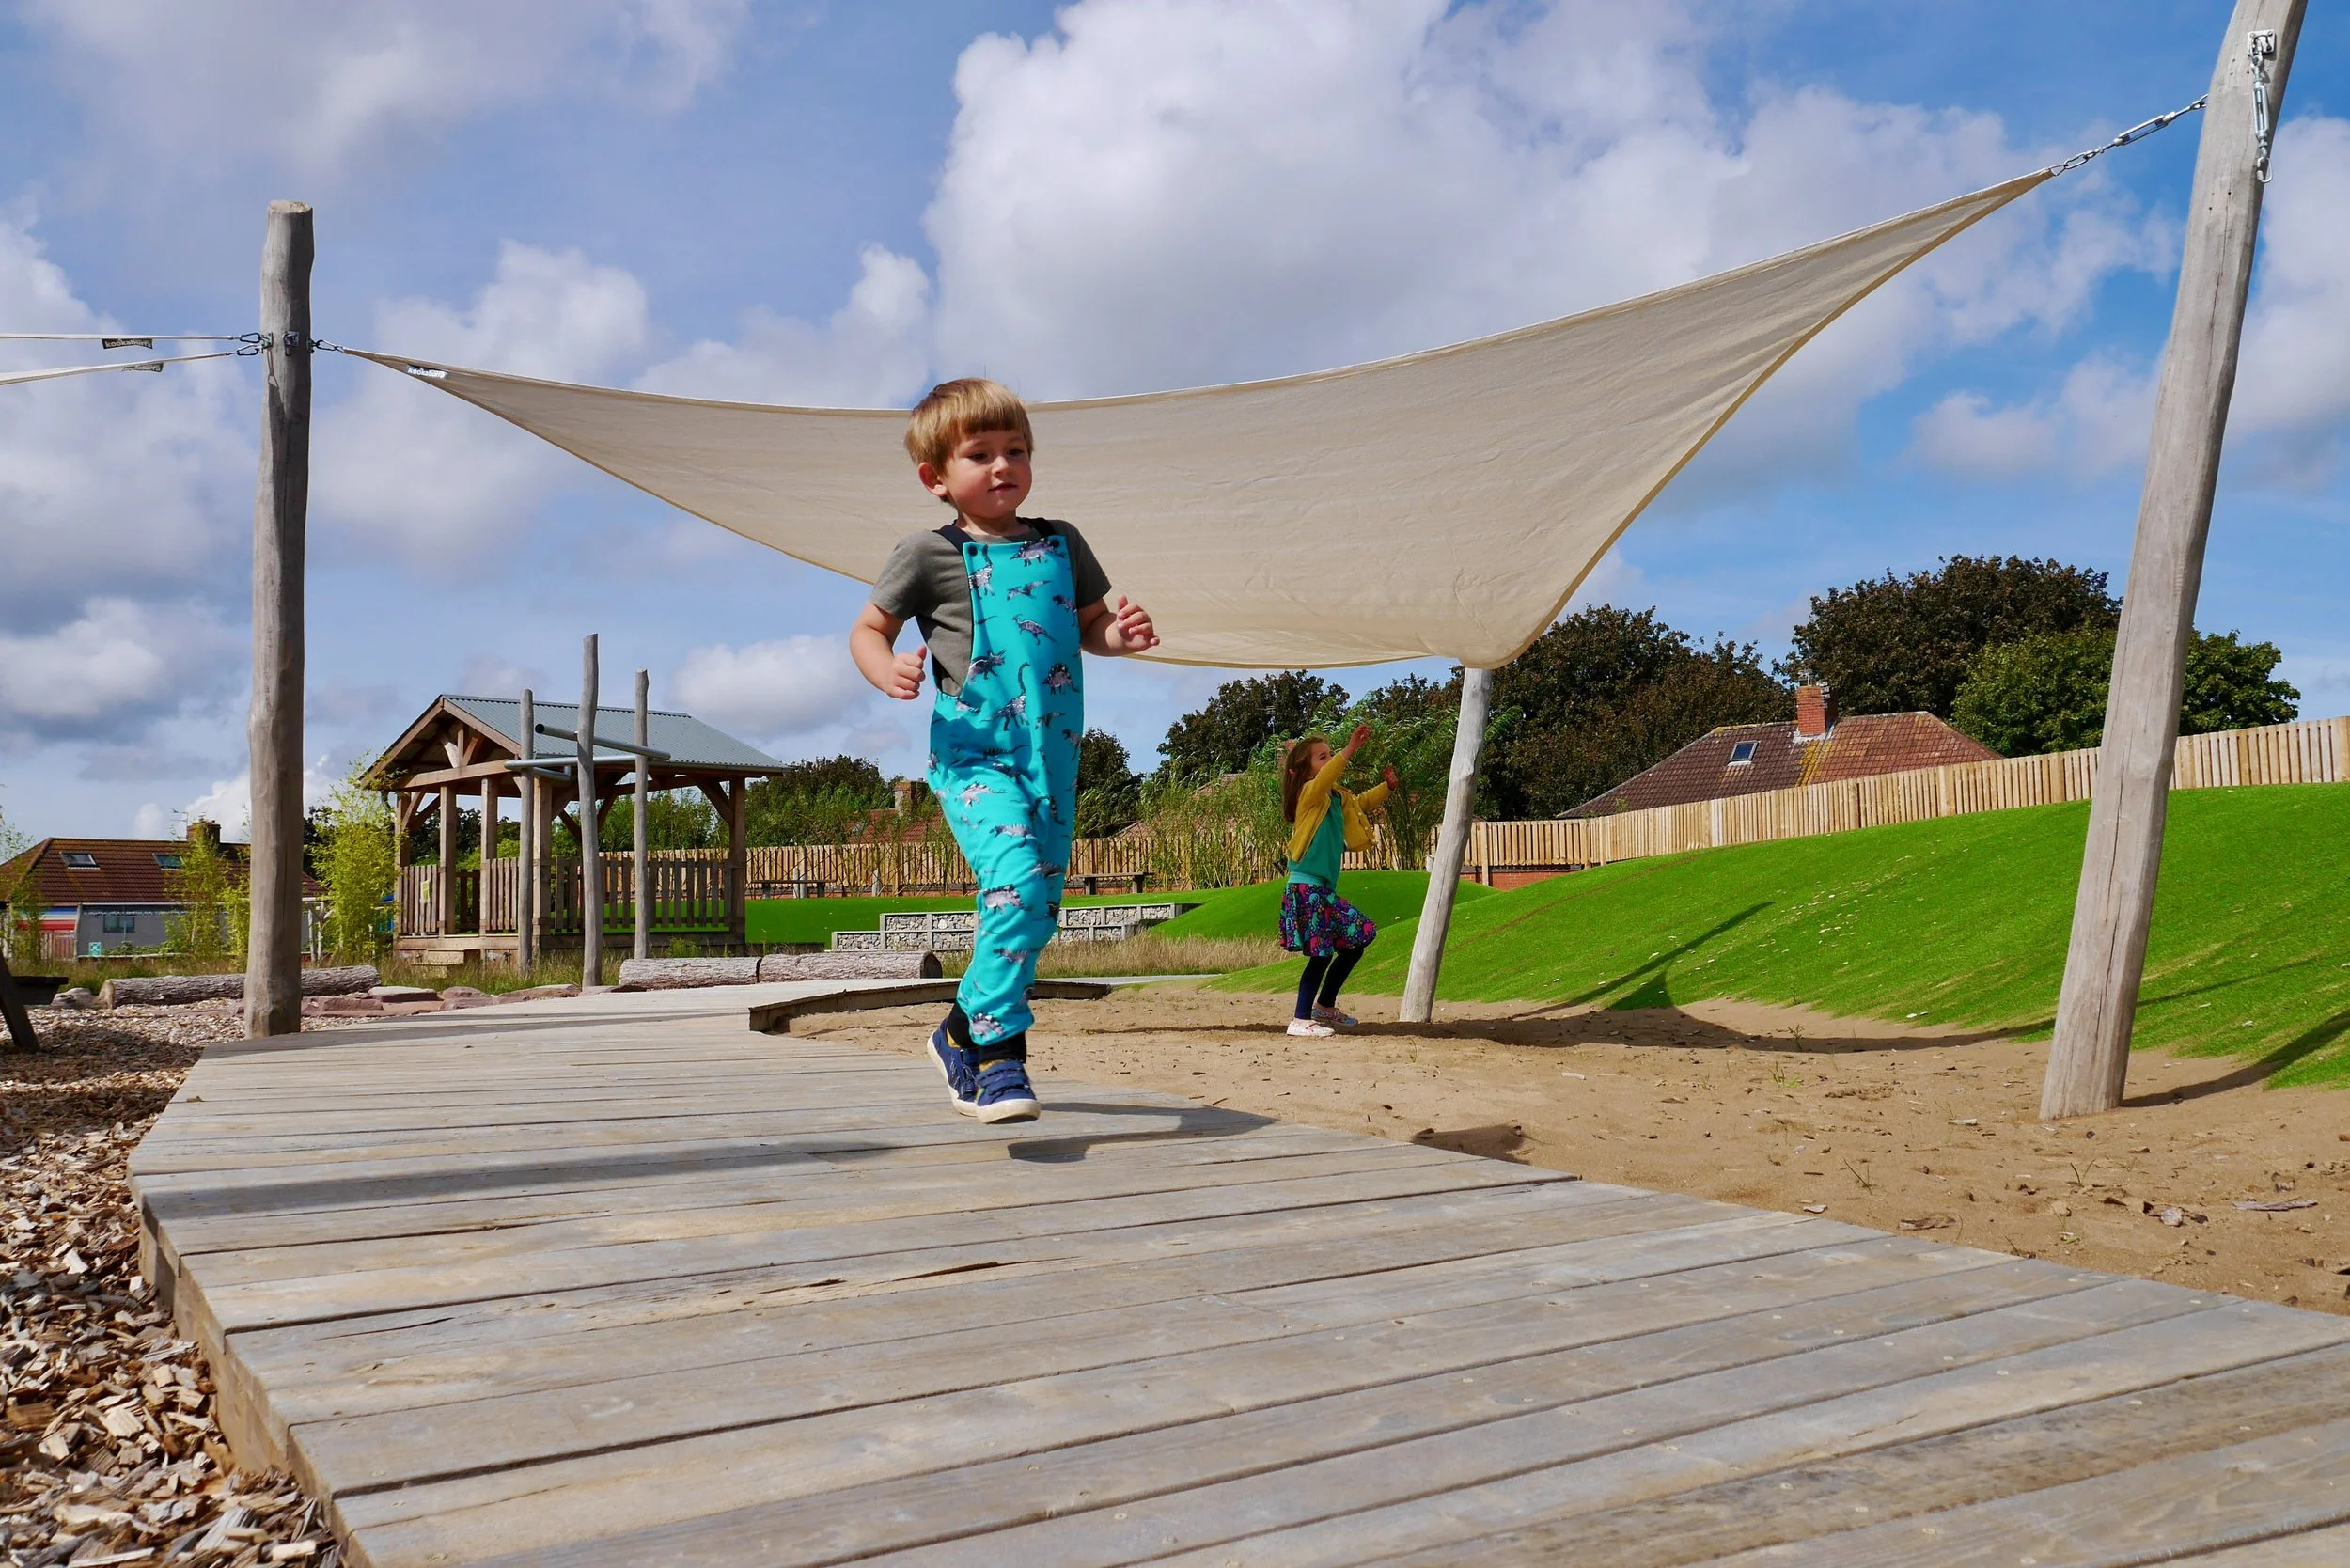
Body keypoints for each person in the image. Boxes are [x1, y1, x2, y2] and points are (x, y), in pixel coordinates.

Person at [851, 378, 1158, 1122]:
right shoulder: (927, 554)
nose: (1001, 467)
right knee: (1016, 885)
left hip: (1052, 756)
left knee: (1037, 912)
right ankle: (997, 1056)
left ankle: (957, 1030)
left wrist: (1121, 635)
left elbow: (1089, 626)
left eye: (1014, 451)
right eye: (980, 454)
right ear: (936, 478)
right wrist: (886, 667)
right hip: (974, 756)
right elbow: (868, 630)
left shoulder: (1062, 541)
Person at [1278, 725, 1398, 1037]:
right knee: (1321, 954)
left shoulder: (1336, 798)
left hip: (1323, 890)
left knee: (1359, 939)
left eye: (1329, 755)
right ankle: (1300, 1019)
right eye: (1322, 757)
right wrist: (1349, 750)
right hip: (1305, 886)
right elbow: (1326, 777)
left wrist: (1388, 787)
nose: (1329, 760)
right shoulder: (1310, 793)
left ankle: (1324, 1006)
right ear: (1306, 770)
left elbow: (1361, 805)